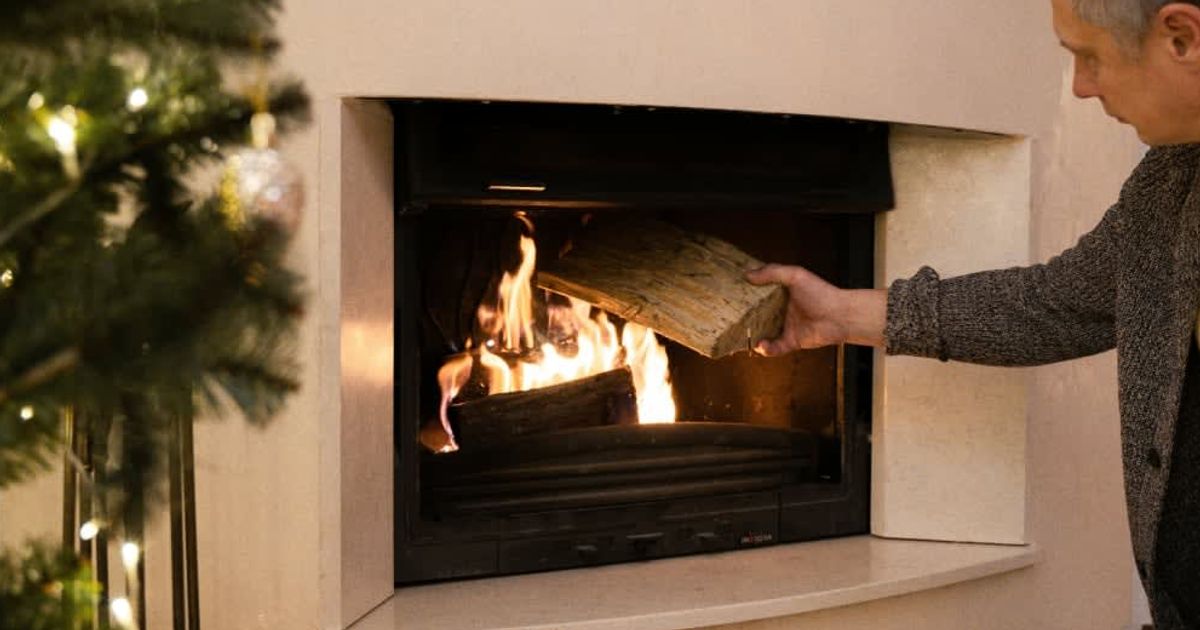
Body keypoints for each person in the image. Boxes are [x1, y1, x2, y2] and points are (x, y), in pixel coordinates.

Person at [746, 1, 1200, 628]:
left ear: (1182, 37)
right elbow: (1056, 303)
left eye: (1090, 57)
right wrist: (841, 315)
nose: (1080, 86)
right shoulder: (1173, 177)